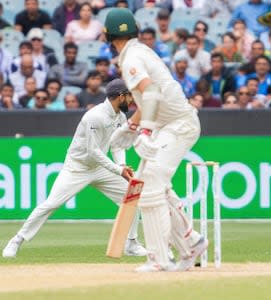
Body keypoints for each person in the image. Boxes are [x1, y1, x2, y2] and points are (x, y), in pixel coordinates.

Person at [104, 8, 208, 272]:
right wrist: (132, 125)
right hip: (170, 124)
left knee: (150, 186)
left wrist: (146, 131)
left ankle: (159, 259)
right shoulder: (140, 52)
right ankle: (191, 243)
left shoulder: (131, 59)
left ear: (107, 35)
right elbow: (148, 97)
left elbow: (151, 92)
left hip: (177, 125)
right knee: (155, 188)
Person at [2, 79, 147, 258]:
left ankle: (131, 243)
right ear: (120, 96)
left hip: (101, 168)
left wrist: (122, 165)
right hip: (77, 168)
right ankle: (17, 240)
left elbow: (117, 145)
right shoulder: (94, 116)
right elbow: (92, 151)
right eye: (129, 96)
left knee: (132, 197)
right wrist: (118, 170)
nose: (132, 100)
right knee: (51, 204)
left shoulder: (121, 116)